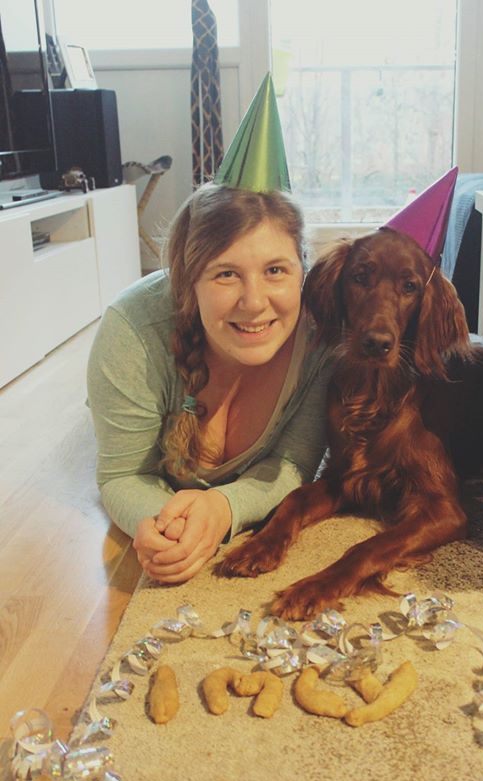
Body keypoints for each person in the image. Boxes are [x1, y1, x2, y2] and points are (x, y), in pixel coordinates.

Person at [86, 76, 332, 584]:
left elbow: (294, 463)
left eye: (276, 270)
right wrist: (155, 522)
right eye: (225, 274)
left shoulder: (322, 337)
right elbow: (121, 474)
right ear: (186, 279)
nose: (254, 302)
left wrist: (222, 508)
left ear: (302, 271)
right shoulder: (130, 331)